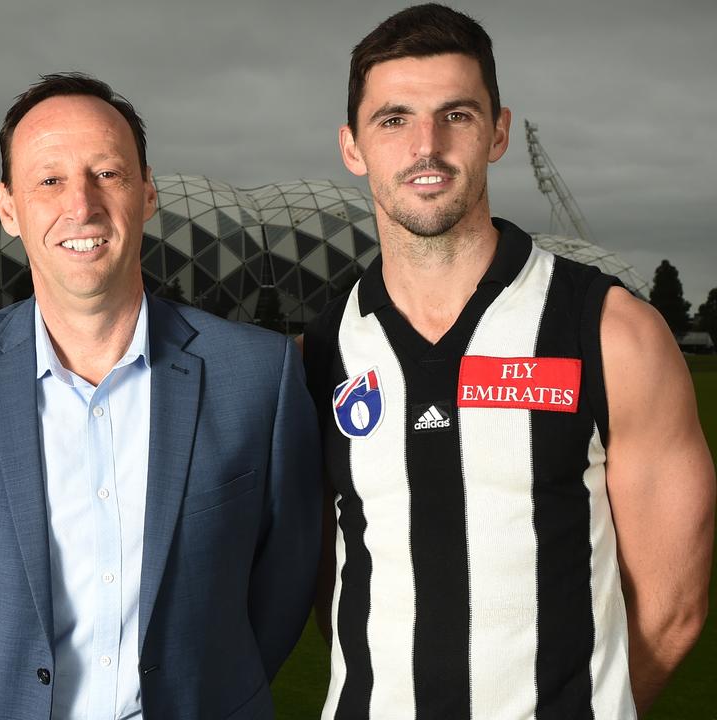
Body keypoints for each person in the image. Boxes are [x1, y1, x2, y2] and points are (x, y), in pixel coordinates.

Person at [304, 5, 715, 718]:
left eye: (455, 115)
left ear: (497, 132)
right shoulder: (323, 350)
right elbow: (326, 580)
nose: (425, 146)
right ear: (352, 145)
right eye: (393, 119)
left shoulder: (612, 332)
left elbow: (675, 604)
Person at [0, 72, 322, 719]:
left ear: (146, 193)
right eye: (49, 179)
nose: (80, 205)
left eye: (107, 174)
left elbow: (283, 589)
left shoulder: (260, 375)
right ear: (8, 207)